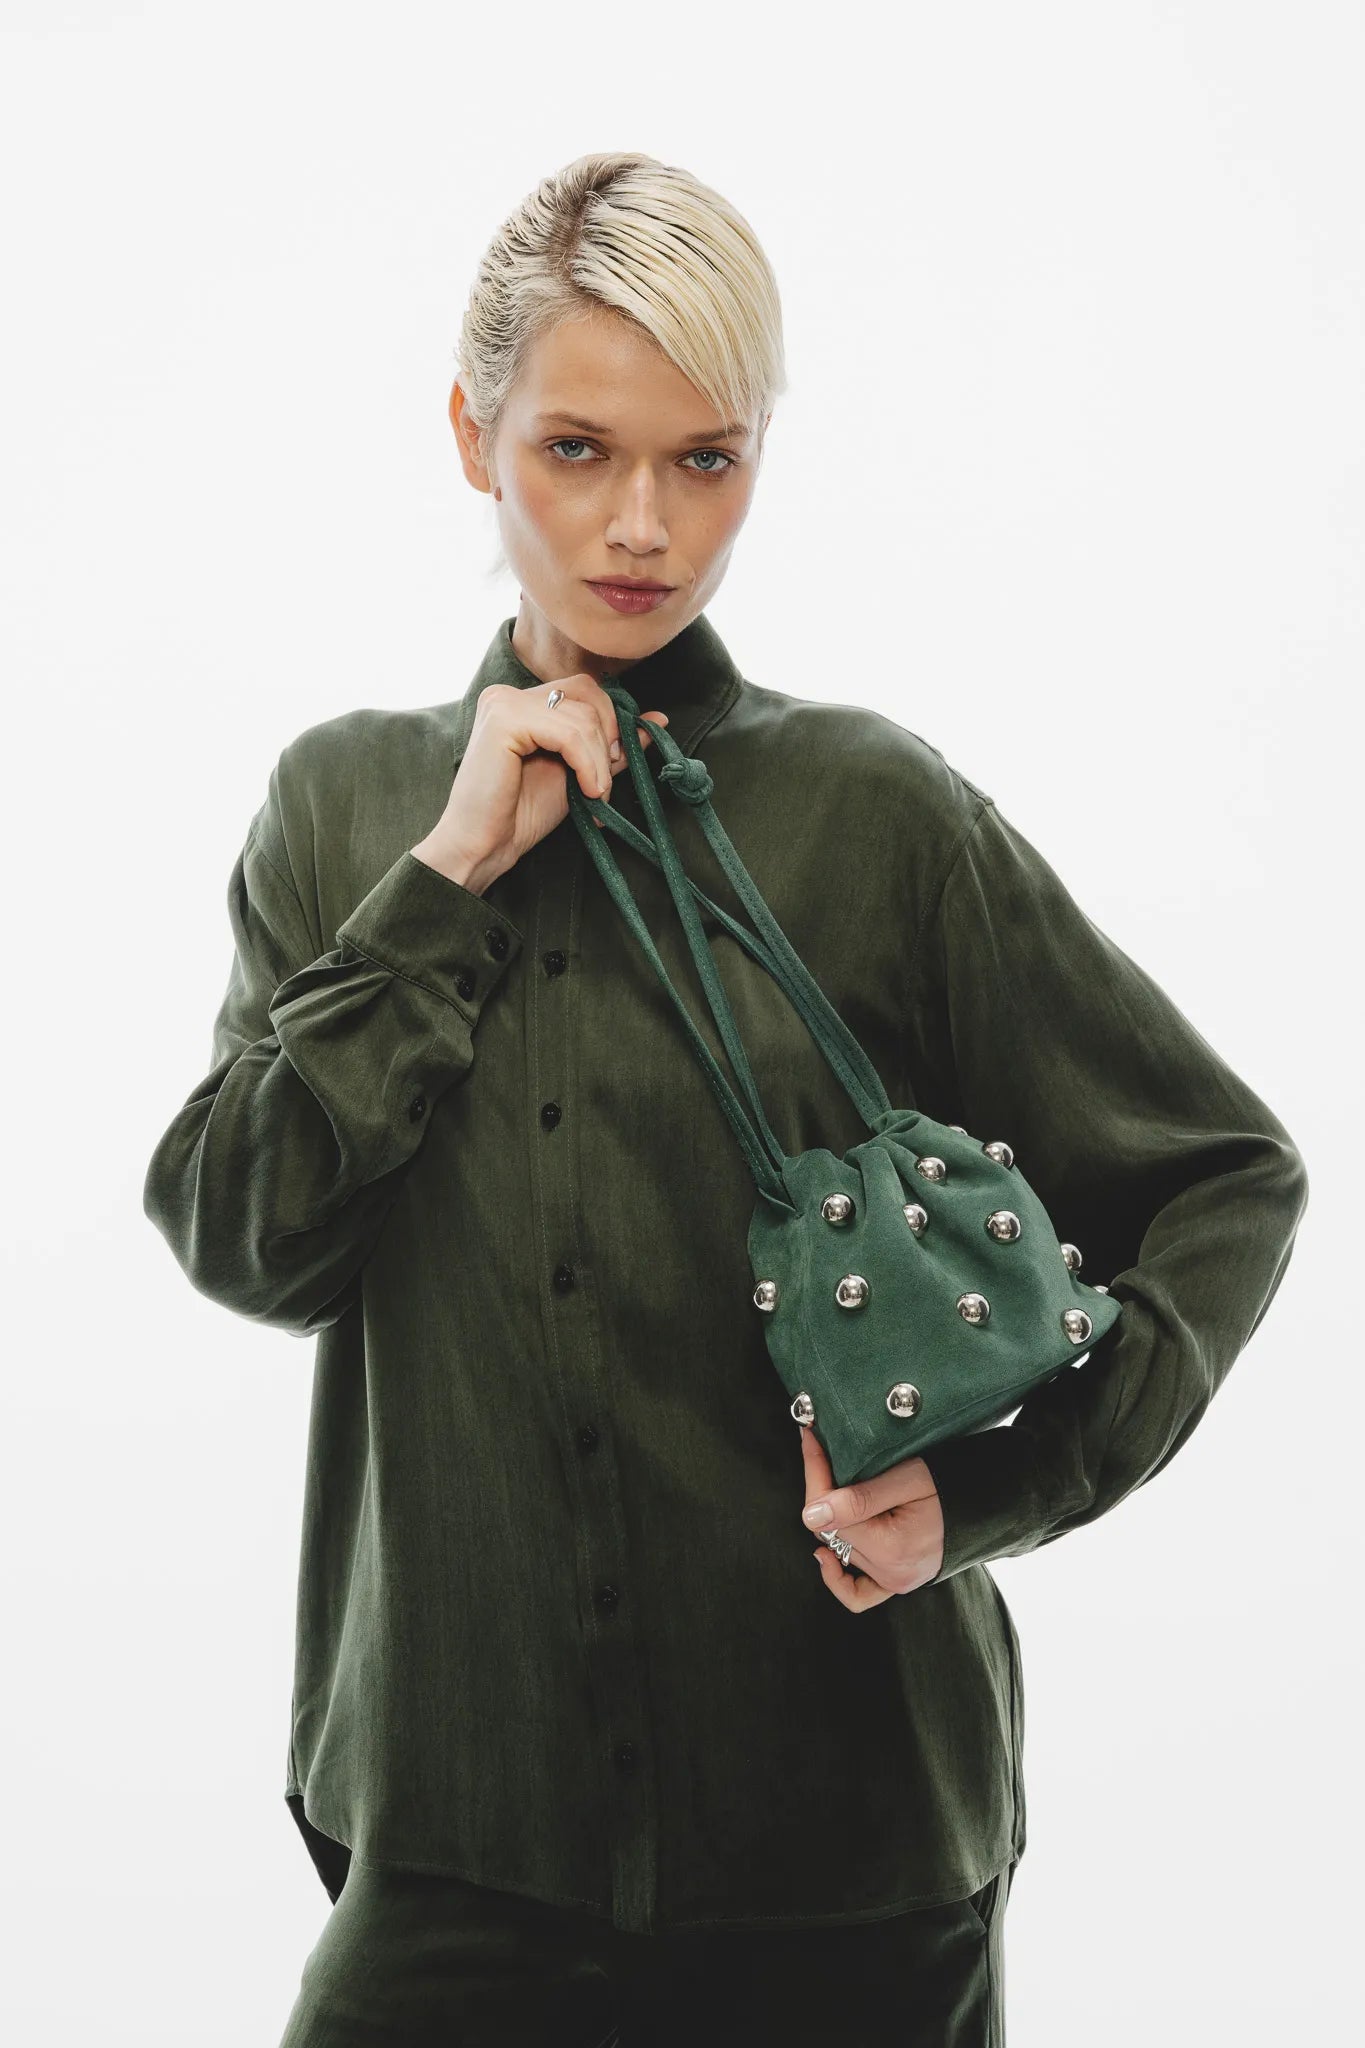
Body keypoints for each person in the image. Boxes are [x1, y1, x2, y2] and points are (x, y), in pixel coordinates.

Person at [142, 151, 1309, 2047]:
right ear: (471, 437)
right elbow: (246, 1241)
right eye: (576, 450)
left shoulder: (874, 813)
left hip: (846, 1852)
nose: (643, 526)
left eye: (706, 458)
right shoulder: (347, 809)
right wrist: (447, 876)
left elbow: (1224, 1176)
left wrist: (999, 1491)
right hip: (459, 1841)